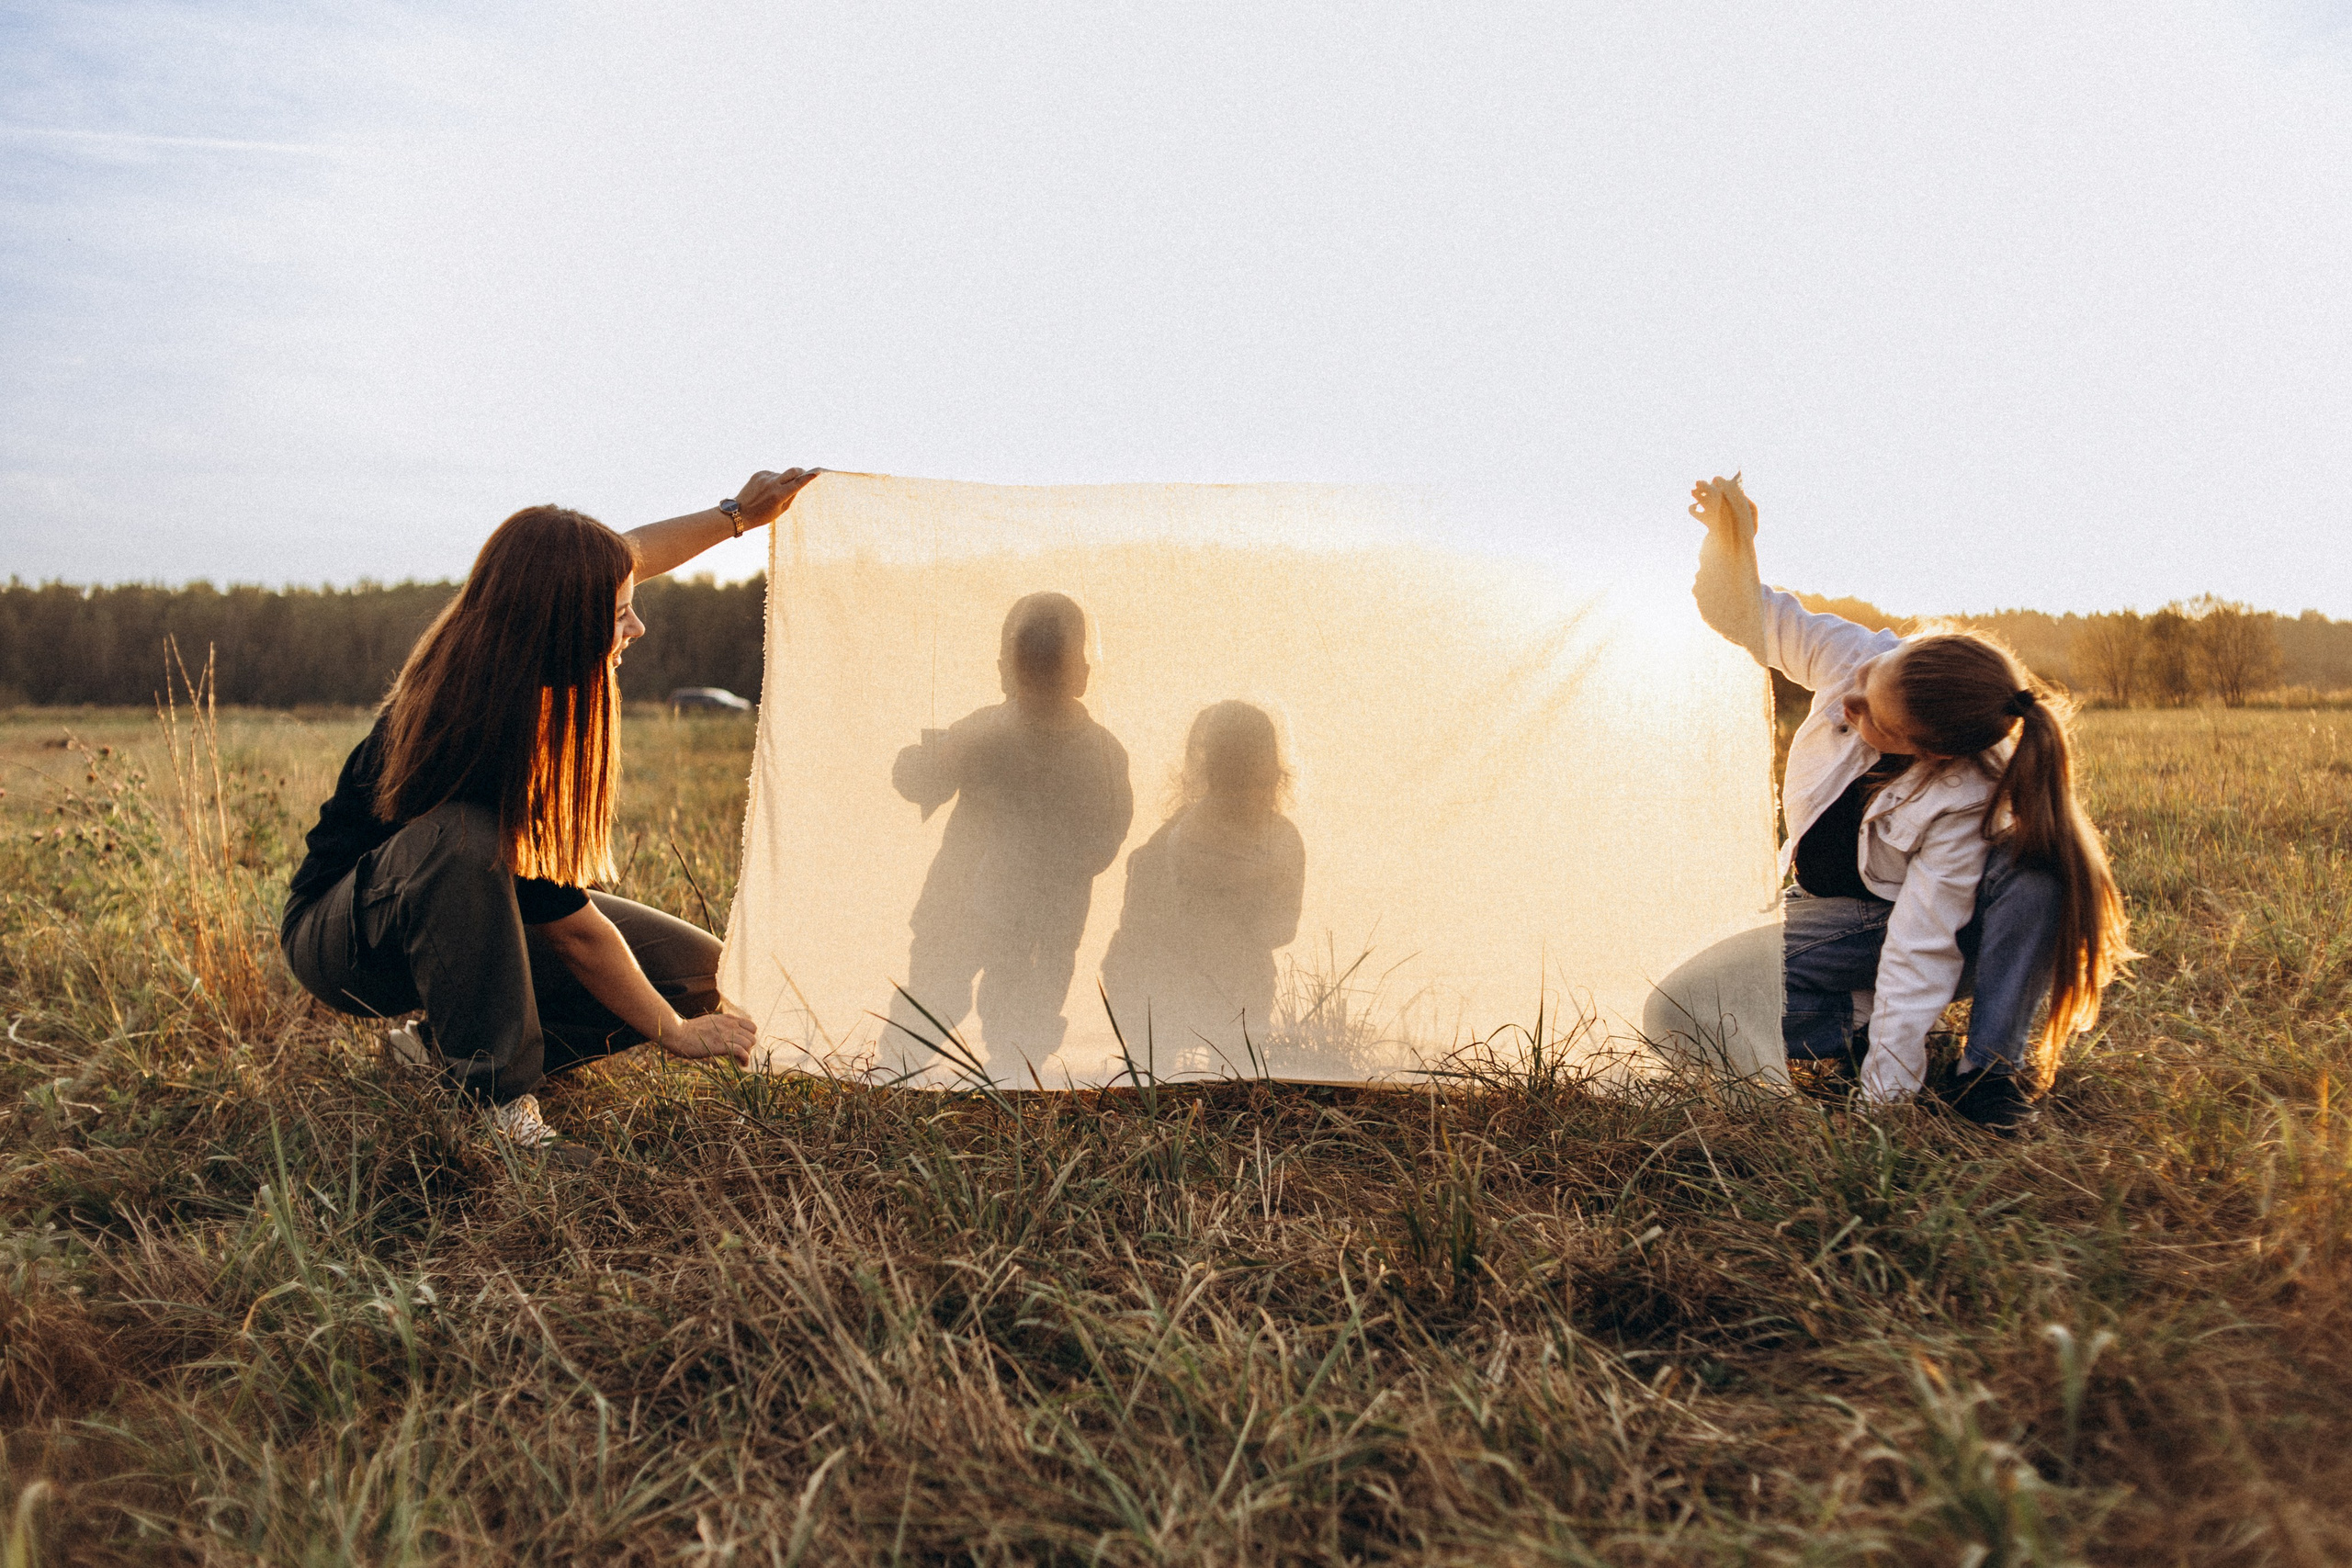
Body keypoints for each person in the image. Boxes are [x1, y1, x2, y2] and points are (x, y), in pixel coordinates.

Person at [280, 468, 820, 1149]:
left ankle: (436, 1053)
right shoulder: (481, 725)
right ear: (564, 624)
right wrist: (676, 1035)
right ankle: (496, 1101)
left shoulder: (527, 635)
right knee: (464, 837)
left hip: (446, 907)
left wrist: (739, 514)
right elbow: (575, 935)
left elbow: (628, 555)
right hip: (347, 938)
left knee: (700, 972)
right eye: (621, 612)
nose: (639, 625)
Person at [1677, 473, 2130, 1130]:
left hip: (1911, 923)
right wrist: (1731, 541)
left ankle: (1990, 1075)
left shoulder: (1962, 797)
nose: (1848, 702)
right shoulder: (1856, 657)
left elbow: (1920, 947)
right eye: (1865, 683)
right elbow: (1743, 615)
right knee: (1685, 1004)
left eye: (1872, 718)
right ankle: (1855, 1027)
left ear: (1929, 753)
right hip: (1828, 917)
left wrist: (1884, 1104)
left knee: (2035, 871)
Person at [886, 592, 1134, 1074]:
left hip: (1042, 916)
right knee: (932, 996)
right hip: (957, 902)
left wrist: (1057, 862)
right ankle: (895, 1074)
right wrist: (932, 762)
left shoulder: (1099, 752)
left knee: (1025, 1013)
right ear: (1004, 672)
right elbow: (917, 783)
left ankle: (1016, 1083)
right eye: (1029, 672)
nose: (1039, 688)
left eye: (1053, 673)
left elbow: (1108, 832)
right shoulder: (980, 731)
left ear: (1082, 676)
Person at [1101, 701, 1306, 1071]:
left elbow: (1280, 926)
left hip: (1221, 987)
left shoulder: (1277, 838)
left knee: (1180, 1068)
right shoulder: (1173, 841)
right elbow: (1280, 927)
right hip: (1178, 986)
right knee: (1183, 1068)